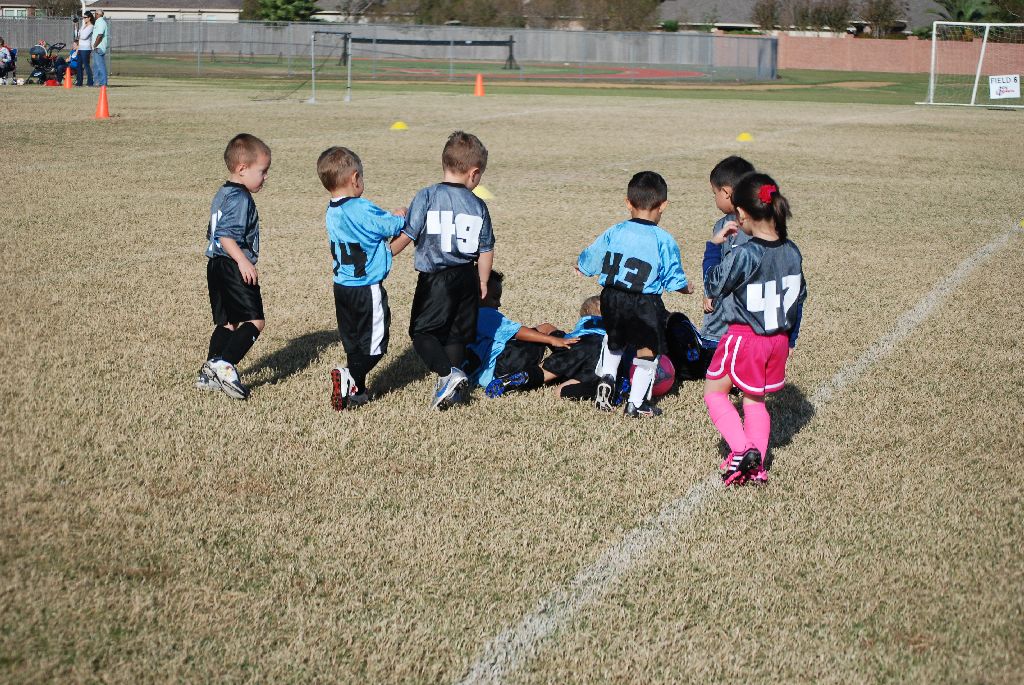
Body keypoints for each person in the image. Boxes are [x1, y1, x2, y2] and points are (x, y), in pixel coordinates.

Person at [703, 173, 807, 486]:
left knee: (715, 393)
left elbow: (713, 285)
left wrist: (714, 247)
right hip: (778, 340)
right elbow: (800, 297)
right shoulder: (792, 251)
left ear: (742, 214)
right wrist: (791, 338)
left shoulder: (747, 253)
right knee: (754, 401)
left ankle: (743, 449)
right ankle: (756, 466)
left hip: (746, 339)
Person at [389, 131, 494, 410]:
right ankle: (452, 393)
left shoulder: (427, 195)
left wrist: (386, 255)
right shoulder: (478, 204)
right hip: (467, 276)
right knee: (455, 335)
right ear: (474, 173)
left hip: (436, 279)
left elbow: (408, 235)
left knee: (422, 332)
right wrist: (483, 280)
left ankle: (448, 376)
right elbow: (486, 248)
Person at [576, 171, 692, 418]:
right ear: (663, 205)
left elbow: (592, 256)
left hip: (611, 297)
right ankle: (636, 404)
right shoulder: (663, 239)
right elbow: (673, 277)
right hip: (644, 301)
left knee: (615, 340)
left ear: (628, 203)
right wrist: (686, 288)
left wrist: (582, 266)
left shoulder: (615, 231)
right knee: (647, 351)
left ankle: (607, 379)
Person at [317, 146, 408, 410]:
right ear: (355, 178)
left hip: (342, 288)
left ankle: (357, 390)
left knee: (354, 343)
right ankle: (349, 375)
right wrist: (400, 215)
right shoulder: (360, 207)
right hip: (366, 288)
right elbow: (390, 226)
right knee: (376, 346)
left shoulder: (332, 211)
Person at [197, 134, 272, 400]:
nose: (265, 177)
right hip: (232, 265)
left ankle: (208, 373)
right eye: (262, 171)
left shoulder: (223, 193)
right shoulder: (241, 198)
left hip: (216, 265)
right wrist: (242, 261)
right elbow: (226, 235)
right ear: (242, 169)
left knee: (228, 323)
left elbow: (212, 232)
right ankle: (224, 365)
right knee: (255, 321)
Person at [465, 271, 577, 397]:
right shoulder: (484, 313)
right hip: (505, 363)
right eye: (495, 298)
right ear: (479, 294)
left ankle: (520, 379)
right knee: (545, 328)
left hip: (483, 378)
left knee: (539, 333)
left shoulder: (462, 318)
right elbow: (517, 332)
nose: (499, 303)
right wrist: (552, 339)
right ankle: (574, 352)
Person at [700, 156, 756, 352]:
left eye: (714, 193)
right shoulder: (722, 224)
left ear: (725, 192)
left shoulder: (749, 228)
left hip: (731, 323)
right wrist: (708, 292)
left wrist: (712, 288)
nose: (714, 198)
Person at [91, 9, 108, 87]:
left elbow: (100, 35)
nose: (94, 15)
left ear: (98, 14)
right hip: (96, 47)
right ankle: (97, 82)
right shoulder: (98, 22)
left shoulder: (101, 22)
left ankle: (103, 83)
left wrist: (95, 45)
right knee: (96, 66)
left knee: (100, 66)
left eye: (95, 14)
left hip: (98, 47)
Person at [77, 12, 94, 87]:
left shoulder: (91, 26)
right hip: (80, 48)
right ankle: (79, 82)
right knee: (79, 65)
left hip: (86, 48)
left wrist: (80, 35)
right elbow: (78, 34)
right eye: (83, 17)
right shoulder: (83, 26)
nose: (84, 19)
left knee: (86, 65)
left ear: (89, 18)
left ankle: (90, 82)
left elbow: (84, 37)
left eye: (85, 17)